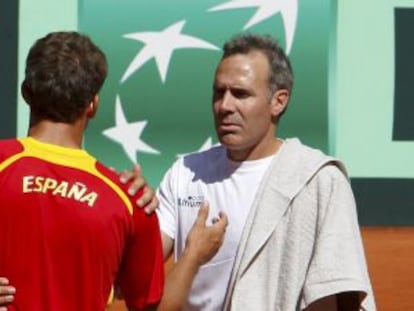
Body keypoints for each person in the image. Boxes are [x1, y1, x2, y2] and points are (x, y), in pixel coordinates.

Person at [0, 31, 227, 311]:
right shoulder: (129, 199)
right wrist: (192, 255)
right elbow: (151, 308)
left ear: (26, 93)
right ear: (93, 104)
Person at [154, 33, 376, 310]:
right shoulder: (185, 173)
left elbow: (330, 289)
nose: (225, 106)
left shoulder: (319, 180)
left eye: (241, 94)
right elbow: (138, 270)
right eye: (218, 92)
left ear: (279, 102)